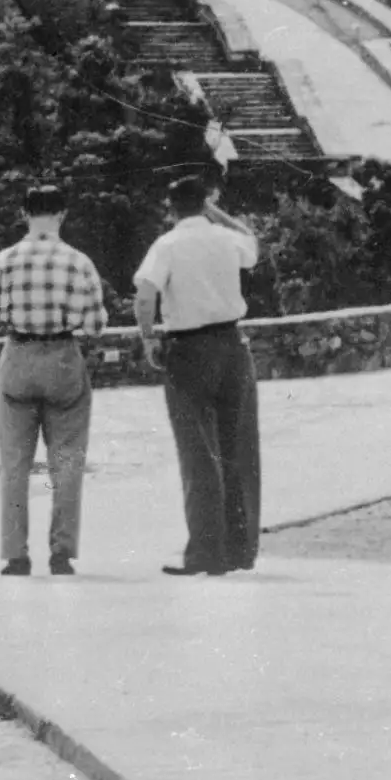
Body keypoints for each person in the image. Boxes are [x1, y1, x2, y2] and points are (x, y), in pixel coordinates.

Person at [0, 179, 110, 577]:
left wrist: (6, 317)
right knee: (66, 461)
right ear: (63, 213)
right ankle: (61, 553)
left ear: (24, 214)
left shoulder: (5, 259)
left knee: (14, 464)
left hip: (18, 356)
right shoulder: (79, 261)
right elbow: (96, 324)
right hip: (63, 356)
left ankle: (16, 555)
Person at [132, 170, 261, 576]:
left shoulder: (166, 244)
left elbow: (145, 296)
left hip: (188, 350)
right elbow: (253, 246)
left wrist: (149, 338)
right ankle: (240, 550)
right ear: (204, 204)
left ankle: (207, 553)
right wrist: (217, 212)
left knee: (198, 453)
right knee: (237, 448)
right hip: (233, 346)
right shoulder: (226, 238)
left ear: (171, 208)